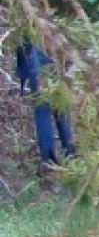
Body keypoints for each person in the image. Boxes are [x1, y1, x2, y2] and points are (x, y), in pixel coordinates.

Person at [14, 37, 74, 168]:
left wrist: (22, 81)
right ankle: (70, 153)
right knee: (60, 107)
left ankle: (49, 158)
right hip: (54, 59)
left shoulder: (28, 28)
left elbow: (22, 49)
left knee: (42, 110)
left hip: (39, 66)